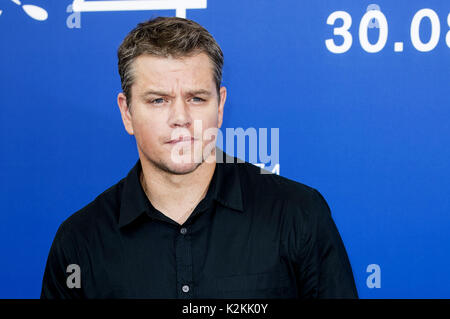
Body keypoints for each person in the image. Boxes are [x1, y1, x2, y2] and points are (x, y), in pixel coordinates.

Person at [40, 17, 358, 299]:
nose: (181, 117)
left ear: (219, 106)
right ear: (127, 112)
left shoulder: (298, 214)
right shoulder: (79, 242)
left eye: (196, 98)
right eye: (158, 100)